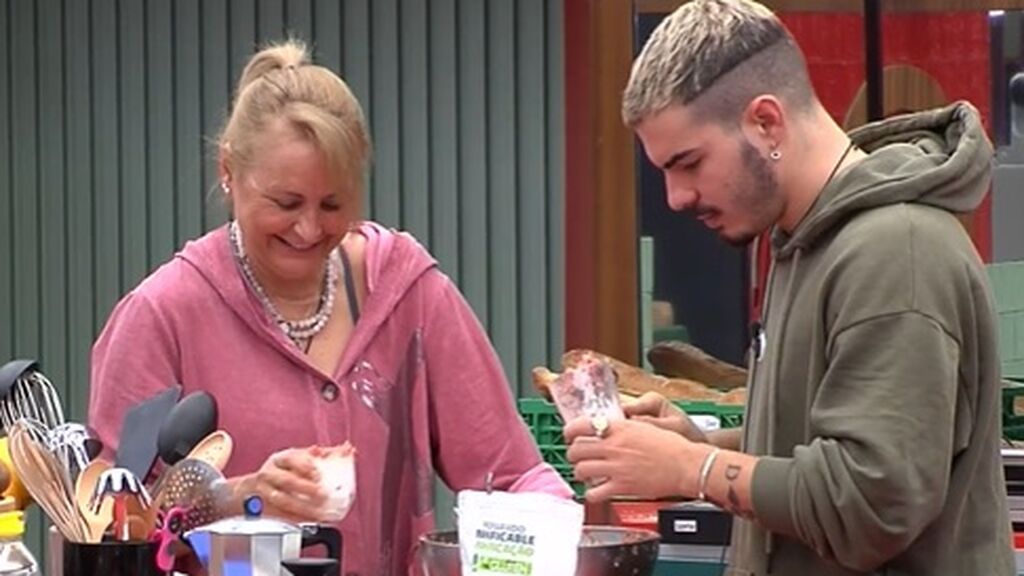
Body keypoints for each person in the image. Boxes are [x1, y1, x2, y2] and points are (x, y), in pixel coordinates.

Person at [88, 39, 572, 575]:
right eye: (286, 203)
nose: (309, 228)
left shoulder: (408, 293)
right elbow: (114, 527)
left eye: (333, 204)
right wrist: (241, 499)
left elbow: (509, 477)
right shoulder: (162, 315)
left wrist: (557, 527)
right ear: (229, 171)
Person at [564, 1, 1014, 575]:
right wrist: (700, 442)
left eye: (689, 162)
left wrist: (689, 468)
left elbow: (869, 506)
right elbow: (818, 448)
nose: (676, 198)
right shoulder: (803, 241)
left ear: (766, 122)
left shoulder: (894, 252)